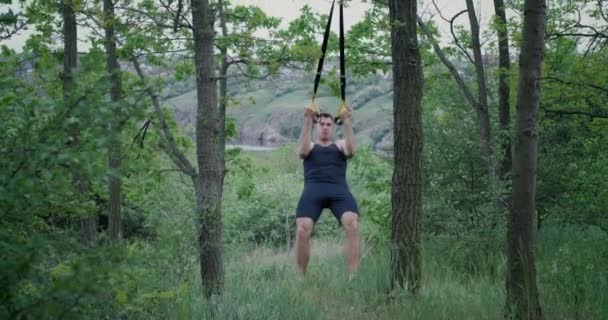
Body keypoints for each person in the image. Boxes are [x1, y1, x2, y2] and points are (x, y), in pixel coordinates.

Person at [294, 104, 360, 278]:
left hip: (338, 191)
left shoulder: (340, 146)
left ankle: (353, 276)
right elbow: (301, 151)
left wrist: (347, 120)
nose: (325, 127)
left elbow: (352, 150)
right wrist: (307, 119)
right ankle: (301, 277)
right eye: (321, 124)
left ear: (333, 128)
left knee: (352, 223)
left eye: (328, 124)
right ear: (317, 126)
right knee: (302, 228)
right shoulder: (309, 145)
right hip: (313, 191)